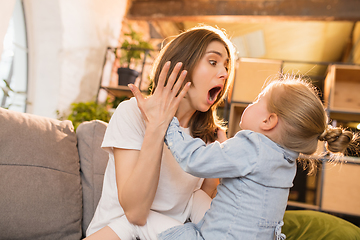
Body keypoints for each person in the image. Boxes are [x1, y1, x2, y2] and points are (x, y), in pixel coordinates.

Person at [132, 76, 358, 240]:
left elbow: (195, 159)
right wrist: (223, 148)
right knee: (195, 199)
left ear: (268, 121)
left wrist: (166, 120)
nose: (251, 104)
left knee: (136, 222)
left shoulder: (252, 146)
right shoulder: (285, 160)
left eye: (258, 100)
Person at [85, 25, 236, 240]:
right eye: (213, 62)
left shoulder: (208, 136)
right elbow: (135, 214)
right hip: (116, 233)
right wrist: (157, 126)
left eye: (226, 67)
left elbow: (201, 202)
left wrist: (220, 163)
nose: (224, 73)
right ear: (182, 64)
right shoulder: (132, 113)